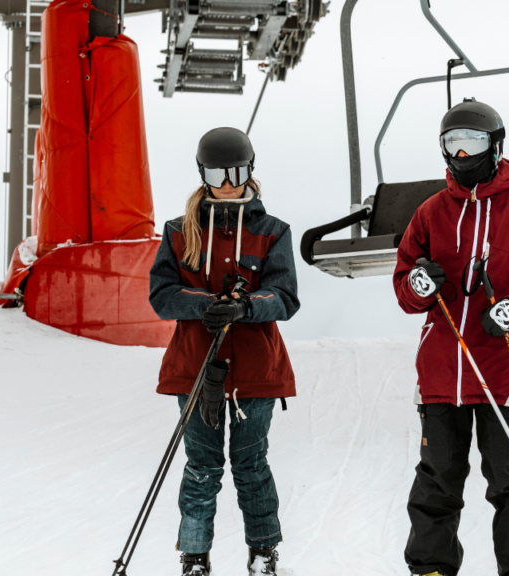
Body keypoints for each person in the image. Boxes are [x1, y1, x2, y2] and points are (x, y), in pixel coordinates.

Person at [392, 99, 509, 576]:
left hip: (503, 369)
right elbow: (403, 284)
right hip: (442, 373)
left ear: (495, 146)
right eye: (452, 144)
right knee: (437, 480)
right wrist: (418, 285)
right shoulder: (431, 213)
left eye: (472, 143)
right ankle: (431, 569)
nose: (462, 156)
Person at [149, 127, 299, 576]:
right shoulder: (180, 231)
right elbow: (162, 295)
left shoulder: (272, 231)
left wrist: (246, 306)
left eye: (236, 171)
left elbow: (285, 297)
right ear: (203, 174)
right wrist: (206, 306)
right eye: (217, 172)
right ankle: (194, 556)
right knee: (202, 464)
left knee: (250, 463)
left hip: (255, 370)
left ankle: (263, 551)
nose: (228, 181)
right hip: (197, 365)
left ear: (250, 170)